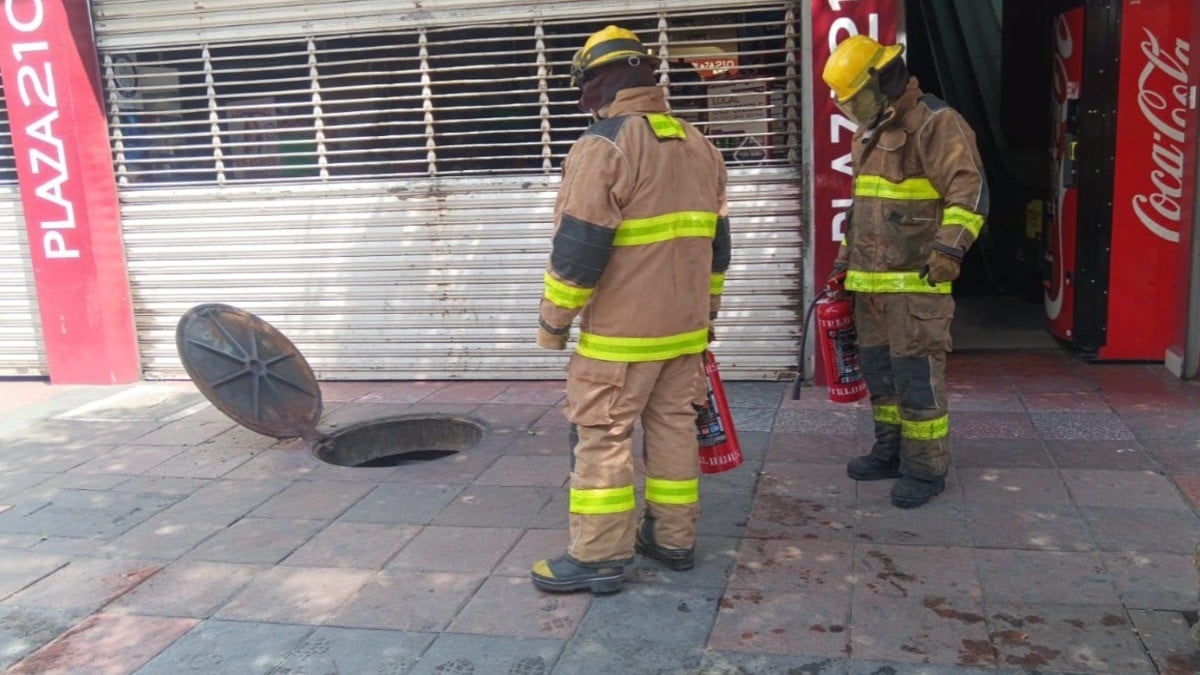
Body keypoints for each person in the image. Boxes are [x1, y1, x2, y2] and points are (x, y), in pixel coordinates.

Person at [531, 25, 731, 593]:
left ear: (596, 80)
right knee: (673, 430)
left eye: (583, 84)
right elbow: (719, 246)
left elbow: (578, 248)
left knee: (603, 439)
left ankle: (598, 557)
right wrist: (707, 310)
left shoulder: (604, 146)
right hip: (685, 334)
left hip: (620, 342)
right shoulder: (700, 143)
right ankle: (673, 539)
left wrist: (553, 324)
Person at [821, 35, 987, 508]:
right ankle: (890, 452)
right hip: (870, 288)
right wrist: (842, 265)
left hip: (917, 286)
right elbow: (864, 210)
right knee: (882, 378)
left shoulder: (937, 124)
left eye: (854, 98)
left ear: (880, 81)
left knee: (916, 379)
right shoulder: (871, 130)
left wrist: (949, 252)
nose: (850, 109)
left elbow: (969, 192)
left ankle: (925, 468)